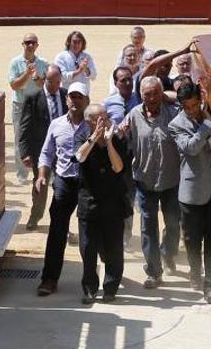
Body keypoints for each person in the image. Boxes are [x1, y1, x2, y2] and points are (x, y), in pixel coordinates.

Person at [168, 82, 211, 305]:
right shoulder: (176, 125)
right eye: (188, 106)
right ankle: (196, 270)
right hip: (193, 191)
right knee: (193, 239)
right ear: (182, 105)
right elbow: (191, 148)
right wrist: (205, 124)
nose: (193, 109)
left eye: (196, 104)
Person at [121, 75, 181, 288]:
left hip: (171, 180)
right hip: (145, 181)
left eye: (156, 93)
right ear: (141, 96)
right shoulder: (133, 115)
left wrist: (168, 96)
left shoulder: (174, 114)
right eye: (148, 94)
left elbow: (186, 99)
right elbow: (121, 137)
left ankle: (168, 253)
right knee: (148, 228)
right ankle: (154, 271)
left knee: (174, 225)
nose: (153, 98)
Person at [35, 81, 90, 297]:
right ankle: (49, 279)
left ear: (87, 101)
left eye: (80, 97)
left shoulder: (94, 123)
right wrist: (41, 176)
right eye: (72, 96)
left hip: (88, 183)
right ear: (67, 99)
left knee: (89, 233)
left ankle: (90, 282)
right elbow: (46, 153)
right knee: (57, 230)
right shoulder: (56, 124)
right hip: (64, 182)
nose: (75, 101)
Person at [73, 104, 130, 304]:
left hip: (113, 203)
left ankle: (110, 288)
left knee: (114, 248)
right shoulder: (82, 137)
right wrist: (93, 139)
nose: (104, 122)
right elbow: (79, 157)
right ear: (89, 122)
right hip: (89, 203)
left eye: (105, 118)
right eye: (99, 119)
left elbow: (118, 167)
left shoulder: (118, 139)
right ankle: (89, 289)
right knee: (87, 249)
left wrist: (109, 143)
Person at [18, 64, 67, 230]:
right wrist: (25, 153)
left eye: (58, 82)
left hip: (62, 150)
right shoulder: (33, 97)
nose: (55, 86)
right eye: (52, 82)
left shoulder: (65, 95)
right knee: (41, 183)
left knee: (61, 185)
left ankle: (61, 220)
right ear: (45, 80)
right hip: (41, 150)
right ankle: (35, 216)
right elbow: (24, 126)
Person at [103, 65, 140, 247]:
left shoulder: (140, 99)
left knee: (129, 196)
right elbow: (102, 126)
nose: (127, 83)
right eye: (123, 80)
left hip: (137, 153)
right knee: (114, 195)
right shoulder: (108, 103)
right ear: (116, 83)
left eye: (129, 79)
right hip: (116, 154)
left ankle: (126, 235)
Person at [8, 33, 49, 185]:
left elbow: (45, 84)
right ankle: (22, 174)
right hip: (20, 103)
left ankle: (42, 171)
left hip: (39, 104)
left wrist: (37, 77)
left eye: (33, 43)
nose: (30, 45)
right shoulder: (15, 62)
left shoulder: (43, 63)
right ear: (23, 44)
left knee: (43, 136)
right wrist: (26, 74)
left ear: (37, 45)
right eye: (27, 42)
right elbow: (14, 85)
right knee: (20, 138)